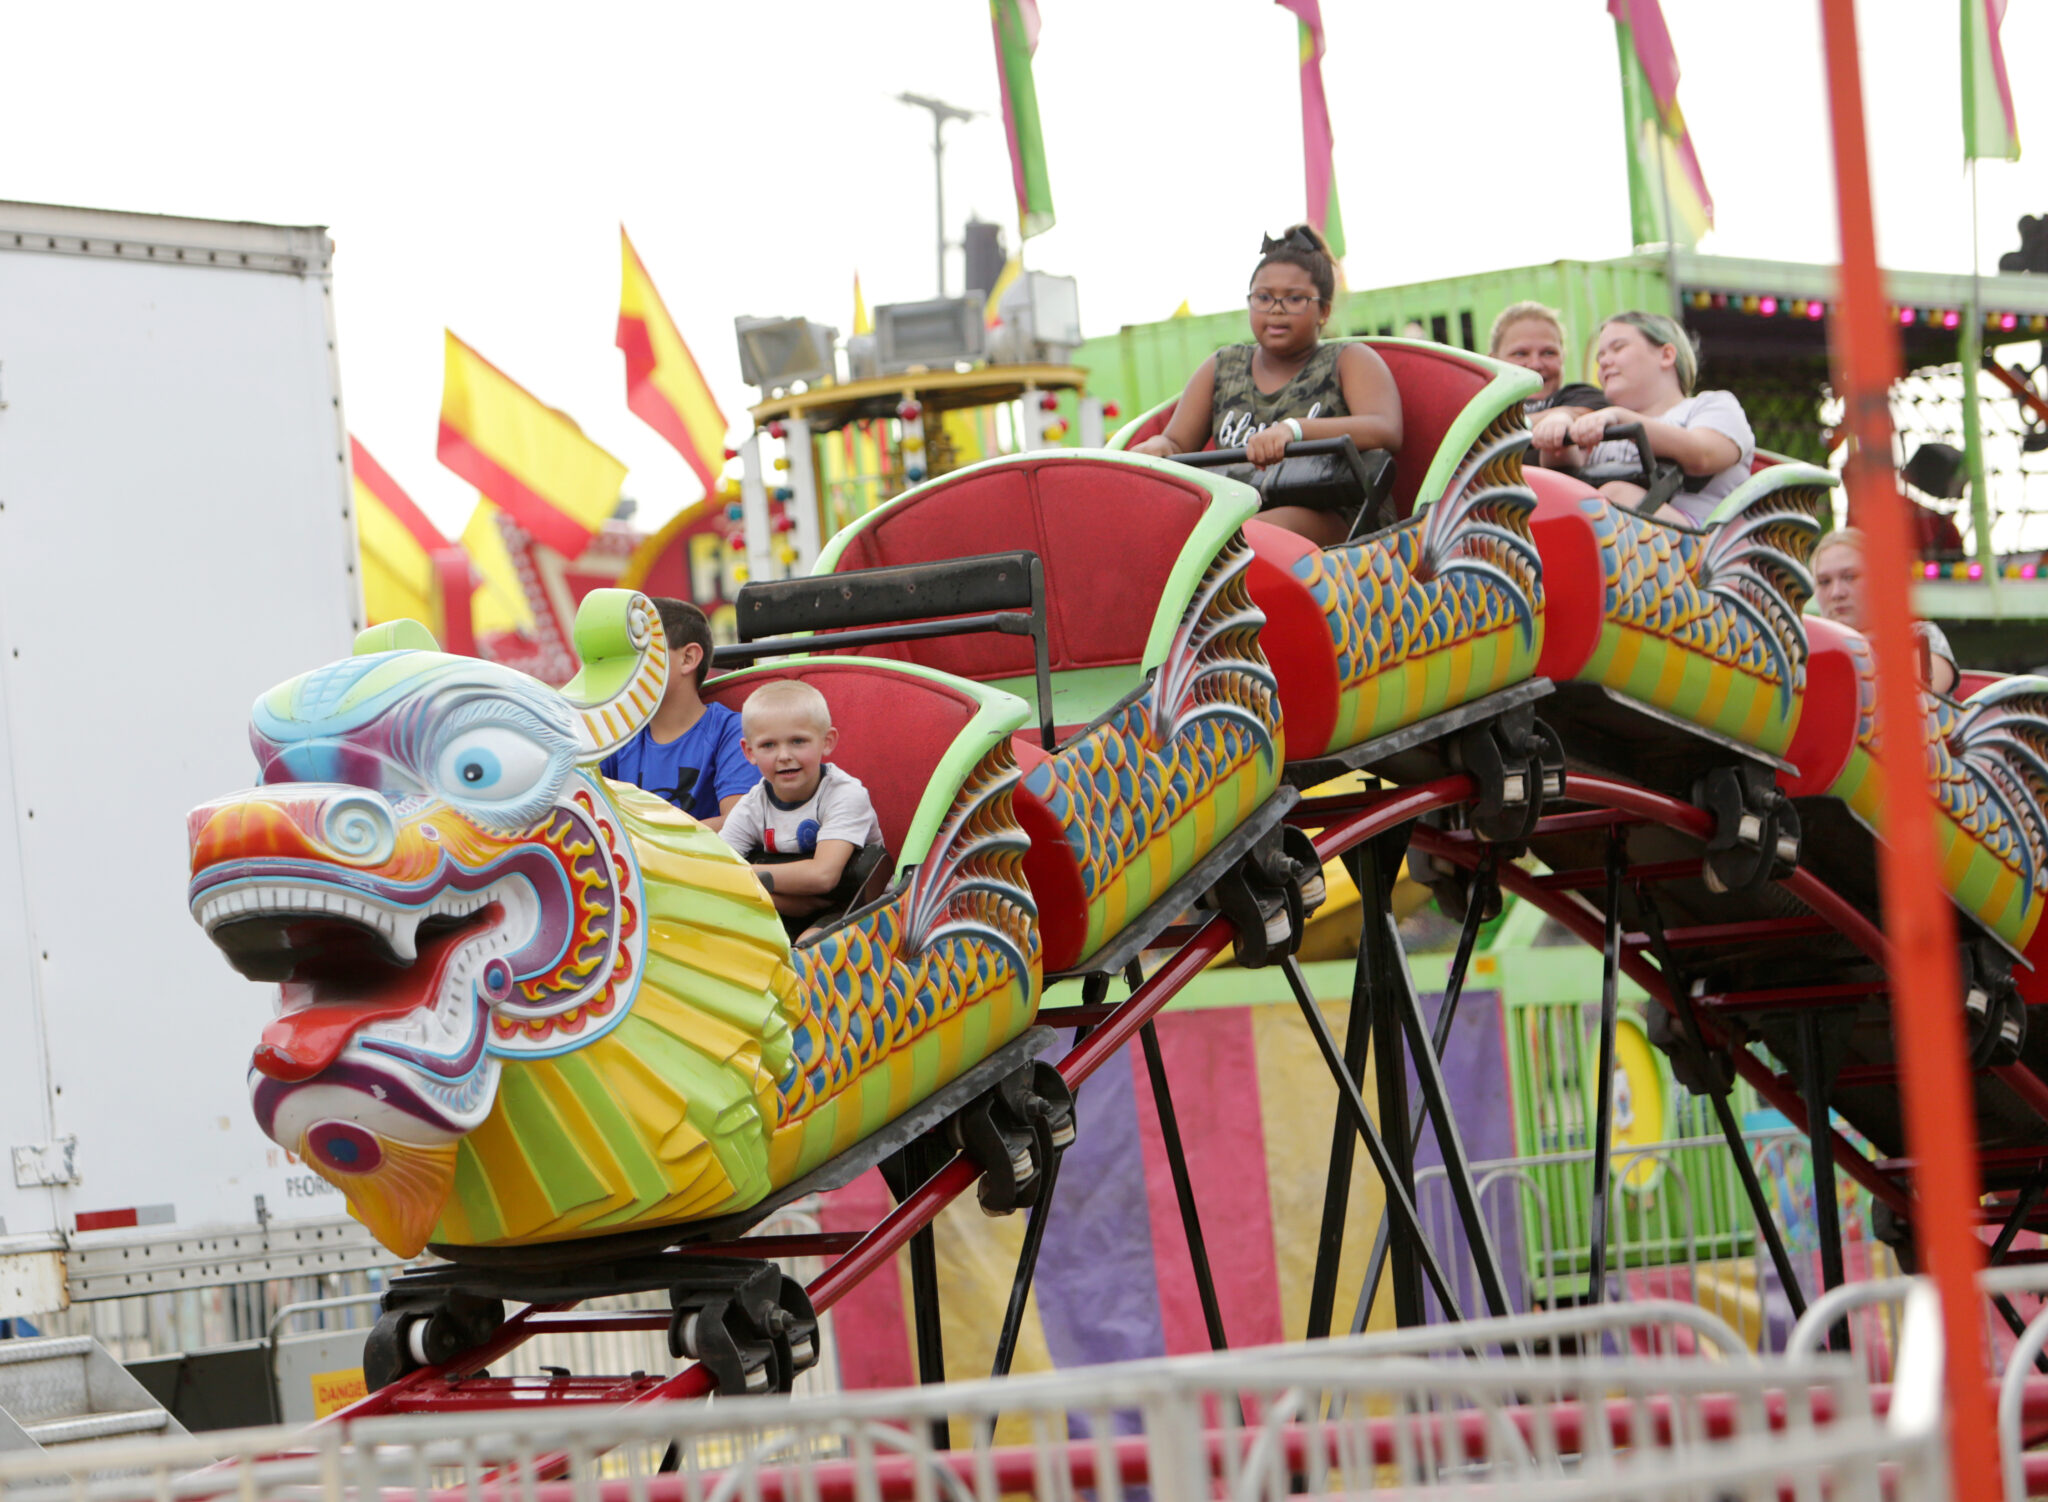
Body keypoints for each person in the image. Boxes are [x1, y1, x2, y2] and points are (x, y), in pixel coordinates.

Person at [1130, 225, 1402, 546]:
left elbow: (1386, 429)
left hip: (1341, 519)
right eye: (1263, 297)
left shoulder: (1349, 360)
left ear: (1324, 311)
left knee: (1249, 536)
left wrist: (1292, 430)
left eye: (1295, 298)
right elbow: (1177, 442)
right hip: (1241, 510)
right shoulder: (1223, 366)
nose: (1276, 308)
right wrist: (1159, 447)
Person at [1530, 311, 1755, 527]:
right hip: (1612, 542)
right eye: (1600, 357)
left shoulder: (1712, 406)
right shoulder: (1606, 428)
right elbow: (1567, 481)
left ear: (1666, 355)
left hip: (1704, 544)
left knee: (1615, 496)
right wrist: (1558, 432)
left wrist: (1621, 418)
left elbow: (1704, 455)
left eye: (1618, 348)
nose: (1605, 362)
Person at [720, 678, 884, 936]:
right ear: (749, 752)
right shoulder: (753, 805)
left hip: (853, 907)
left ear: (827, 741)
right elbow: (716, 870)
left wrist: (743, 874)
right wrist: (785, 902)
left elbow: (823, 876)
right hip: (781, 904)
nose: (784, 755)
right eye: (768, 745)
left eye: (798, 741)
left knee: (812, 947)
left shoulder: (844, 794)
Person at [600, 598, 757, 829]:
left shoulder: (731, 732)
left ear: (688, 658)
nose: (621, 669)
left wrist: (642, 837)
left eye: (636, 653)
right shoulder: (617, 737)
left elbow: (738, 824)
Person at [1811, 527, 1959, 694]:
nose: (1836, 593)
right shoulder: (1804, 652)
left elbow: (1915, 701)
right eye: (1824, 582)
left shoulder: (1920, 638)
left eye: (1850, 577)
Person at [1487, 301, 1602, 414]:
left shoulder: (1583, 397)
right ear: (1493, 361)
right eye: (1520, 354)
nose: (1535, 364)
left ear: (1562, 357)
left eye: (1548, 353)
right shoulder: (1479, 410)